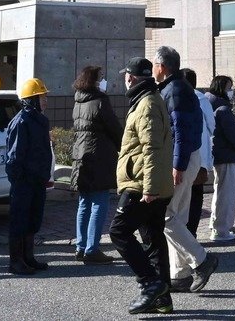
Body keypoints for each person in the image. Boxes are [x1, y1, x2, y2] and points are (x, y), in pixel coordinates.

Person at [110, 56, 174, 315]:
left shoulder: (146, 104)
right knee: (152, 238)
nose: (124, 79)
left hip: (142, 184)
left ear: (132, 78)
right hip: (152, 182)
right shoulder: (148, 99)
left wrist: (148, 187)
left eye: (126, 75)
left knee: (119, 232)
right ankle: (163, 299)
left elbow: (152, 148)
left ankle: (150, 284)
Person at [153, 47, 219, 294]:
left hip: (181, 161)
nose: (152, 69)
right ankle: (179, 275)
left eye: (154, 64)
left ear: (162, 66)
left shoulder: (175, 91)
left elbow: (180, 130)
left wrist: (176, 165)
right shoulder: (180, 88)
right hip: (189, 158)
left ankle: (202, 260)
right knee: (178, 216)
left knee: (166, 216)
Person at [70, 65, 123, 264]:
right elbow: (113, 127)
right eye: (100, 78)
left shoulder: (78, 101)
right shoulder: (100, 101)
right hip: (99, 155)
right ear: (94, 80)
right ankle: (92, 249)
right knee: (99, 203)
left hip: (81, 154)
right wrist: (122, 146)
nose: (103, 81)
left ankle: (81, 246)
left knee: (84, 203)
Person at [6, 77, 54, 275]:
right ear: (32, 99)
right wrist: (20, 179)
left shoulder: (39, 120)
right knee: (20, 220)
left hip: (37, 179)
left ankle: (28, 257)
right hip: (24, 181)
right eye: (42, 97)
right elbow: (15, 156)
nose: (45, 101)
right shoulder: (22, 122)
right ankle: (16, 261)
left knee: (33, 218)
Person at [206, 76, 235, 243]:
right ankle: (221, 230)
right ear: (221, 88)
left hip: (216, 154)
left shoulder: (208, 103)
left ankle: (215, 225)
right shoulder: (222, 108)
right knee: (227, 195)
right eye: (229, 87)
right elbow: (233, 136)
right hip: (227, 155)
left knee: (219, 192)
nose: (232, 91)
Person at [180, 68, 215, 237]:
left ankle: (184, 231)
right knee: (196, 194)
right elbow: (212, 125)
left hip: (181, 155)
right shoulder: (202, 99)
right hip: (200, 155)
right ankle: (191, 231)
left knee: (182, 195)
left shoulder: (175, 96)